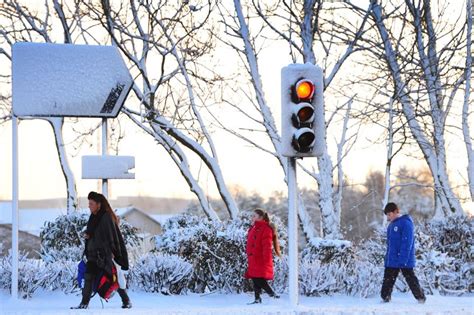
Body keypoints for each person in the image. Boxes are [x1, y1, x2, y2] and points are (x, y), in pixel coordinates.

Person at [71, 191, 132, 309]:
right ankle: (84, 303)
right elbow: (94, 233)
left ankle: (126, 300)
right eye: (89, 203)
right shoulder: (93, 216)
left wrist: (113, 254)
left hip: (105, 255)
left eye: (91, 204)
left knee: (113, 277)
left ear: (99, 204)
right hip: (93, 255)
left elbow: (111, 237)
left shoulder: (106, 217)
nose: (89, 206)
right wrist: (88, 236)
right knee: (88, 276)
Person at [381, 202, 426, 304]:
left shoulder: (406, 223)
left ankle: (421, 298)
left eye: (389, 214)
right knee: (387, 281)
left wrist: (403, 258)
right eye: (387, 215)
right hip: (392, 259)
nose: (388, 217)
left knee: (411, 279)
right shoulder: (391, 225)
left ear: (396, 211)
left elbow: (407, 242)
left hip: (403, 259)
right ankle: (385, 300)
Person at [245, 208, 281, 304]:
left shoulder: (266, 229)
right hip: (253, 258)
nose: (252, 217)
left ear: (261, 217)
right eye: (252, 216)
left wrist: (266, 259)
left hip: (260, 258)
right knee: (254, 277)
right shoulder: (253, 228)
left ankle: (272, 294)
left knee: (258, 278)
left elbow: (267, 246)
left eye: (254, 216)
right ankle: (257, 298)